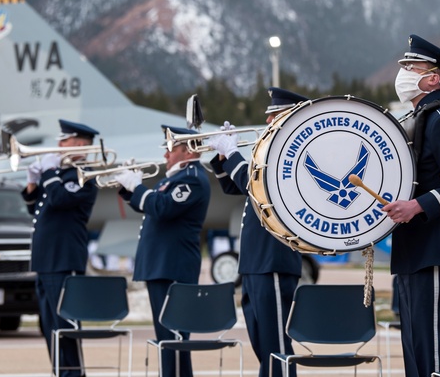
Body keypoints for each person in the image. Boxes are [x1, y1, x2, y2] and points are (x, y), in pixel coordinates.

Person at [381, 34, 440, 377]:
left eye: (410, 66)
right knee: (415, 343)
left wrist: (418, 207)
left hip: (436, 244)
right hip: (415, 246)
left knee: (429, 347)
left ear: (433, 78)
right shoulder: (420, 115)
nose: (402, 72)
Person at [210, 88, 307, 377]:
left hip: (274, 259)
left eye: (274, 115)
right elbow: (233, 186)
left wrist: (233, 154)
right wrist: (221, 157)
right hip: (256, 261)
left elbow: (252, 184)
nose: (267, 121)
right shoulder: (271, 152)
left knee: (276, 345)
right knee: (263, 344)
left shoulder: (293, 156)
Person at [113, 124, 211, 377]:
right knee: (168, 340)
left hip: (173, 266)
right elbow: (153, 206)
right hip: (163, 266)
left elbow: (163, 208)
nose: (166, 155)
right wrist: (129, 188)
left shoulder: (192, 178)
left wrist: (137, 186)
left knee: (173, 340)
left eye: (171, 149)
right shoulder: (176, 178)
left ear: (189, 151)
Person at [21, 119, 100, 377]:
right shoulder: (60, 173)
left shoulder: (83, 174)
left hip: (64, 259)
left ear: (78, 144)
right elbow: (39, 208)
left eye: (64, 141)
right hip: (46, 260)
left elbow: (59, 200)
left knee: (65, 325)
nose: (58, 145)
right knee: (49, 326)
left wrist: (49, 174)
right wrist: (32, 184)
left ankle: (73, 374)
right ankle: (61, 373)